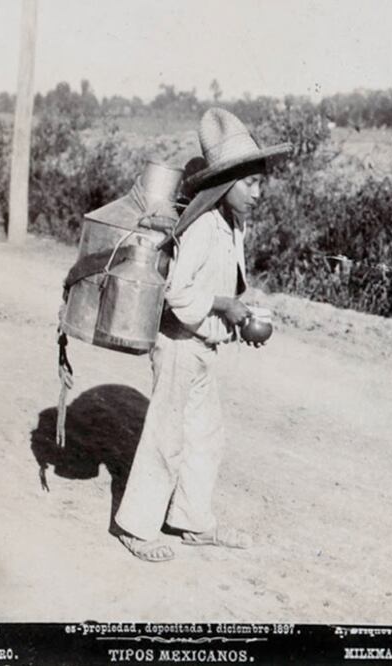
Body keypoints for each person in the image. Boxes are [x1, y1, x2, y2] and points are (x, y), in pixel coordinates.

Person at [113, 108, 291, 562]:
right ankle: (135, 526)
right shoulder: (201, 225)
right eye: (250, 182)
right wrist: (223, 306)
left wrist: (235, 315)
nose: (259, 191)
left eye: (260, 182)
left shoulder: (232, 225)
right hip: (176, 344)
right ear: (225, 183)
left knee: (205, 435)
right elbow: (177, 290)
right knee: (166, 435)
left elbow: (221, 285)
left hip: (203, 345)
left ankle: (192, 521)